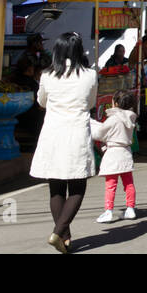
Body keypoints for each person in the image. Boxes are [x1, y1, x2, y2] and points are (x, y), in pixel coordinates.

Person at [30, 32, 97, 253]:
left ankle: (63, 235)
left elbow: (41, 101)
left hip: (52, 133)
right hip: (76, 132)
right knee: (78, 185)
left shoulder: (47, 75)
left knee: (56, 186)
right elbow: (91, 102)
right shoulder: (89, 75)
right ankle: (59, 233)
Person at [91, 88, 138, 222]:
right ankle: (130, 209)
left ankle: (108, 211)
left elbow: (99, 134)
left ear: (115, 103)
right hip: (126, 152)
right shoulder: (130, 118)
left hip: (113, 153)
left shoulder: (113, 119)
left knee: (111, 184)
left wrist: (90, 124)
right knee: (128, 183)